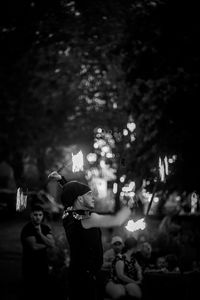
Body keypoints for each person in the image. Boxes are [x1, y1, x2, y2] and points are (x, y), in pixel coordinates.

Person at [48, 171, 132, 300]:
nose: (93, 197)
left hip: (76, 272)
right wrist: (131, 205)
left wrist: (61, 181)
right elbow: (117, 220)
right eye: (89, 194)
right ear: (80, 198)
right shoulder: (88, 218)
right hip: (86, 277)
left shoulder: (68, 214)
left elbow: (71, 194)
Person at [20, 202, 55, 300]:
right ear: (31, 215)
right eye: (35, 215)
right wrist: (46, 244)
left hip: (43, 264)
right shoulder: (27, 229)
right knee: (30, 292)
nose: (38, 217)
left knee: (43, 291)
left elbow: (52, 243)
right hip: (29, 265)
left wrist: (40, 234)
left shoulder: (45, 228)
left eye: (40, 215)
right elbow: (34, 246)